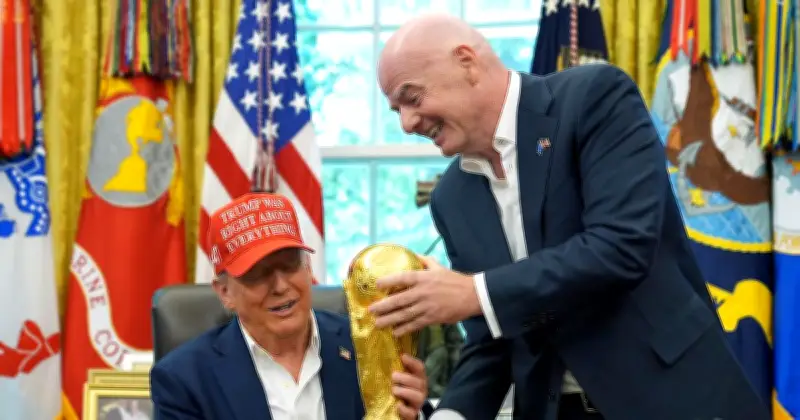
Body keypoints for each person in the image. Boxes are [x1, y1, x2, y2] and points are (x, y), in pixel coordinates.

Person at [368, 13, 770, 420]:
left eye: (412, 98)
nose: (407, 124)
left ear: (467, 63)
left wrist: (473, 292)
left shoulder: (594, 97)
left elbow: (621, 246)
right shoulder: (452, 198)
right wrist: (450, 414)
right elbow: (493, 337)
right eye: (396, 110)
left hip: (670, 399)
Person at [149, 192, 429, 420]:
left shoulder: (366, 343)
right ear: (225, 293)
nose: (281, 286)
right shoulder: (184, 378)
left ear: (308, 268)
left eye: (290, 265)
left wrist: (411, 415)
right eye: (258, 274)